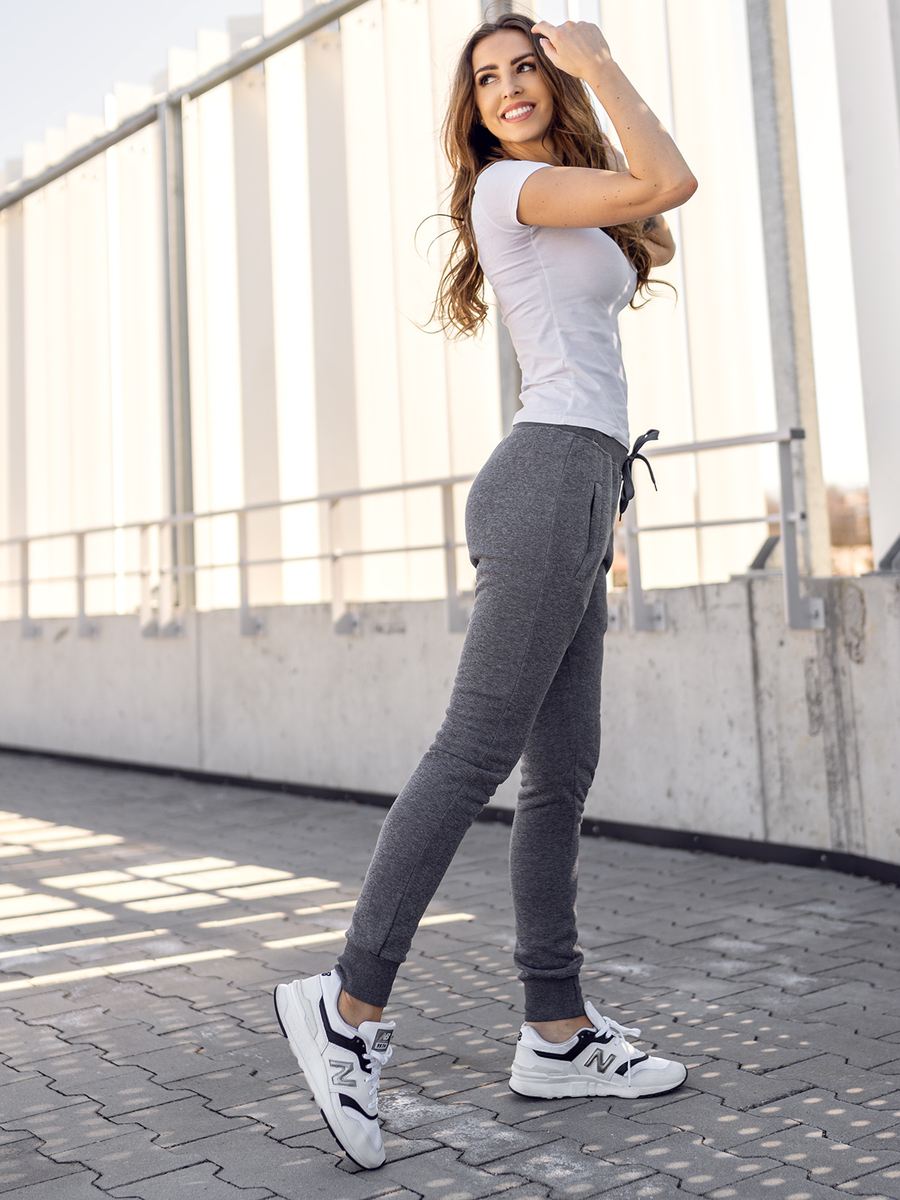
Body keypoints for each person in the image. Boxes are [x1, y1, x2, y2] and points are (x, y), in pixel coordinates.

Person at [273, 12, 697, 1170]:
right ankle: (347, 1006)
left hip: (586, 483)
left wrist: (587, 110)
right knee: (473, 756)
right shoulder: (510, 189)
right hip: (547, 476)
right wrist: (596, 60)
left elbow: (653, 213)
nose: (510, 87)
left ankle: (555, 1033)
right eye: (490, 78)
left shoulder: (565, 190)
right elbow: (673, 181)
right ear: (473, 110)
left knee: (561, 775)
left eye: (525, 68)